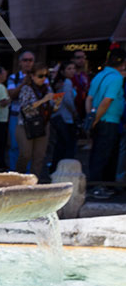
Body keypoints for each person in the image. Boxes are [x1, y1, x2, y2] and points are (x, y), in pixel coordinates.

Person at [85, 48, 126, 198]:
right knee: (103, 156)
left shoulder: (100, 75)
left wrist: (91, 118)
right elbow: (107, 101)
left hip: (100, 120)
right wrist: (95, 120)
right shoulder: (116, 78)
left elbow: (89, 99)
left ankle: (106, 185)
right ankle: (96, 187)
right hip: (108, 121)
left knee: (102, 154)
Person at [15, 62, 55, 177]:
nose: (43, 79)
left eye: (46, 76)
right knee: (25, 154)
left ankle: (34, 182)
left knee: (39, 156)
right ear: (32, 76)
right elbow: (25, 108)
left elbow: (52, 109)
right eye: (40, 76)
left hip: (43, 124)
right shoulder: (26, 89)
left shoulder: (47, 89)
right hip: (27, 125)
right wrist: (43, 100)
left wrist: (56, 104)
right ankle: (18, 178)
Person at [6, 50, 36, 170]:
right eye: (25, 60)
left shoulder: (40, 77)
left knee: (29, 147)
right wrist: (23, 83)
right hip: (16, 115)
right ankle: (14, 172)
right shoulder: (14, 77)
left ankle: (27, 174)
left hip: (32, 116)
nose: (28, 63)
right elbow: (11, 94)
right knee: (14, 145)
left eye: (30, 60)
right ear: (20, 62)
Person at [49, 60, 78, 171]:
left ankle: (55, 167)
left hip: (58, 116)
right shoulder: (67, 83)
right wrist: (74, 112)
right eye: (69, 69)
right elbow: (67, 100)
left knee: (60, 145)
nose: (72, 71)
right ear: (63, 71)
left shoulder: (60, 83)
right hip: (65, 117)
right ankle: (64, 169)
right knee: (66, 145)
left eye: (73, 68)